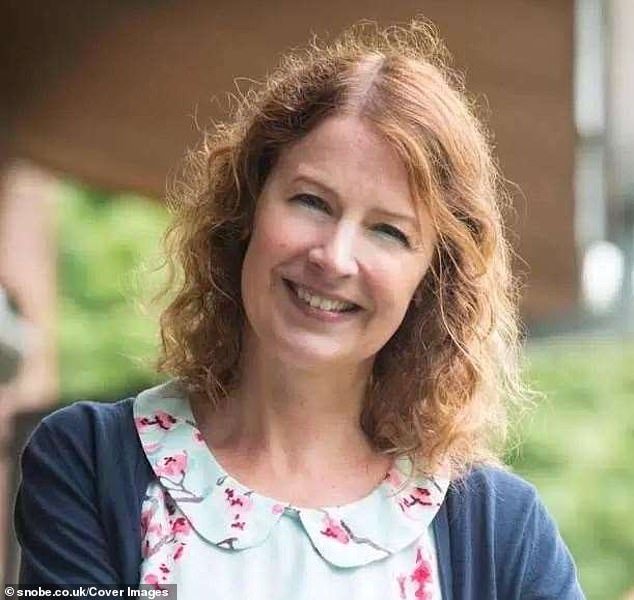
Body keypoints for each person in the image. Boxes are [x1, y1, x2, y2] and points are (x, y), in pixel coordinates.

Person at [14, 19, 585, 598]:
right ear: (247, 208)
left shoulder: (499, 531)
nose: (334, 257)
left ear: (430, 279)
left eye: (388, 232)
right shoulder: (88, 463)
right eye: (312, 201)